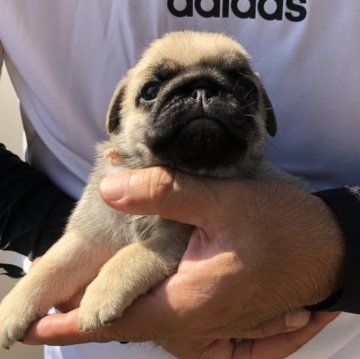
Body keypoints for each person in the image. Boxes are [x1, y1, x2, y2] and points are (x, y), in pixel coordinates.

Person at [1, 1, 359, 358]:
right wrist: (46, 258)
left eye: (243, 91)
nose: (201, 97)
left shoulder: (266, 186)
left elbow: (174, 243)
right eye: (154, 91)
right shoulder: (109, 180)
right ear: (117, 119)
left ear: (267, 116)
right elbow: (82, 241)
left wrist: (343, 239)